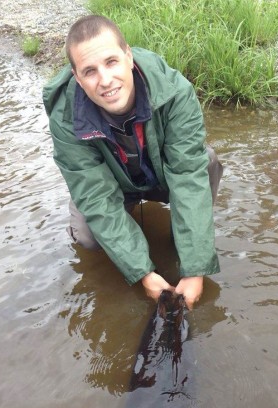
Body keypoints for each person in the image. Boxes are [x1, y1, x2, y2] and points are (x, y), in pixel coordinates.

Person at [43, 15, 223, 309]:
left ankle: (188, 241)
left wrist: (194, 270)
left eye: (111, 62)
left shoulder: (175, 93)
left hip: (161, 176)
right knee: (87, 237)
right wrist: (143, 273)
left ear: (128, 56)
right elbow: (96, 197)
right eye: (90, 71)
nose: (105, 80)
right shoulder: (65, 119)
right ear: (77, 77)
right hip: (114, 185)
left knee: (206, 162)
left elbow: (187, 174)